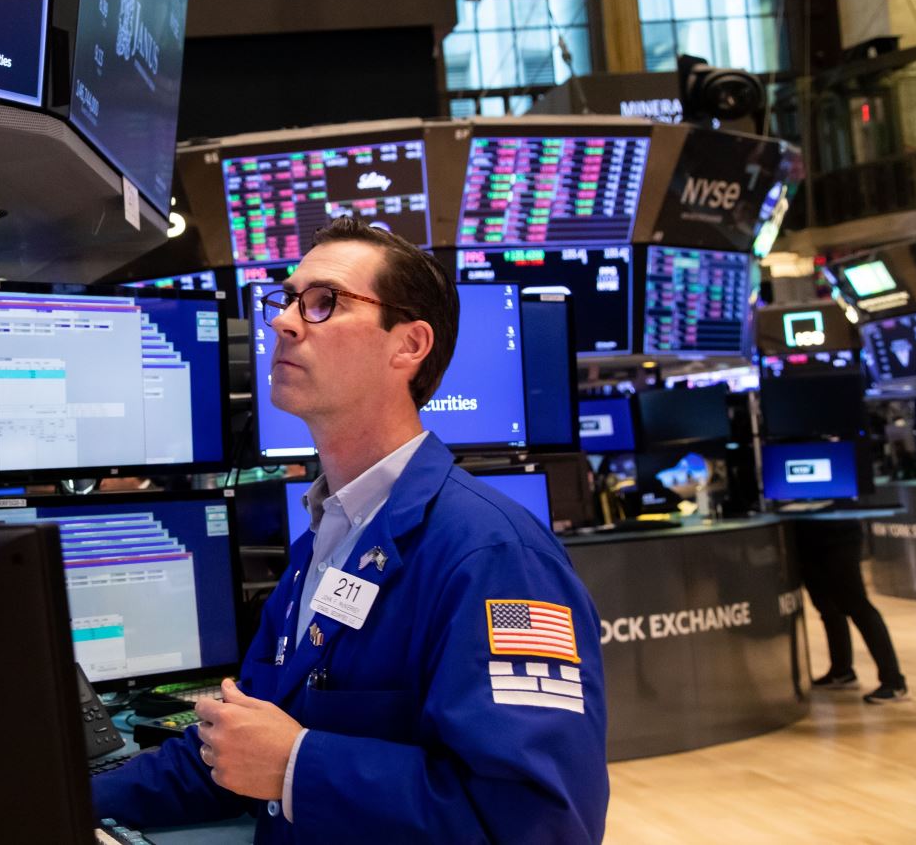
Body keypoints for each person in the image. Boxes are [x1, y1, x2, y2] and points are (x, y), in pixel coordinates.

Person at [94, 218, 609, 842]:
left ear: (409, 345)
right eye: (286, 300)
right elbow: (235, 745)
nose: (283, 323)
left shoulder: (496, 555)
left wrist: (298, 766)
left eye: (323, 303)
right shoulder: (324, 541)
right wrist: (52, 793)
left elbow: (543, 823)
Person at [798, 518, 909, 703]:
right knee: (827, 607)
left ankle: (894, 681)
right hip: (806, 536)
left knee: (857, 605)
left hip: (838, 534)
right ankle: (842, 671)